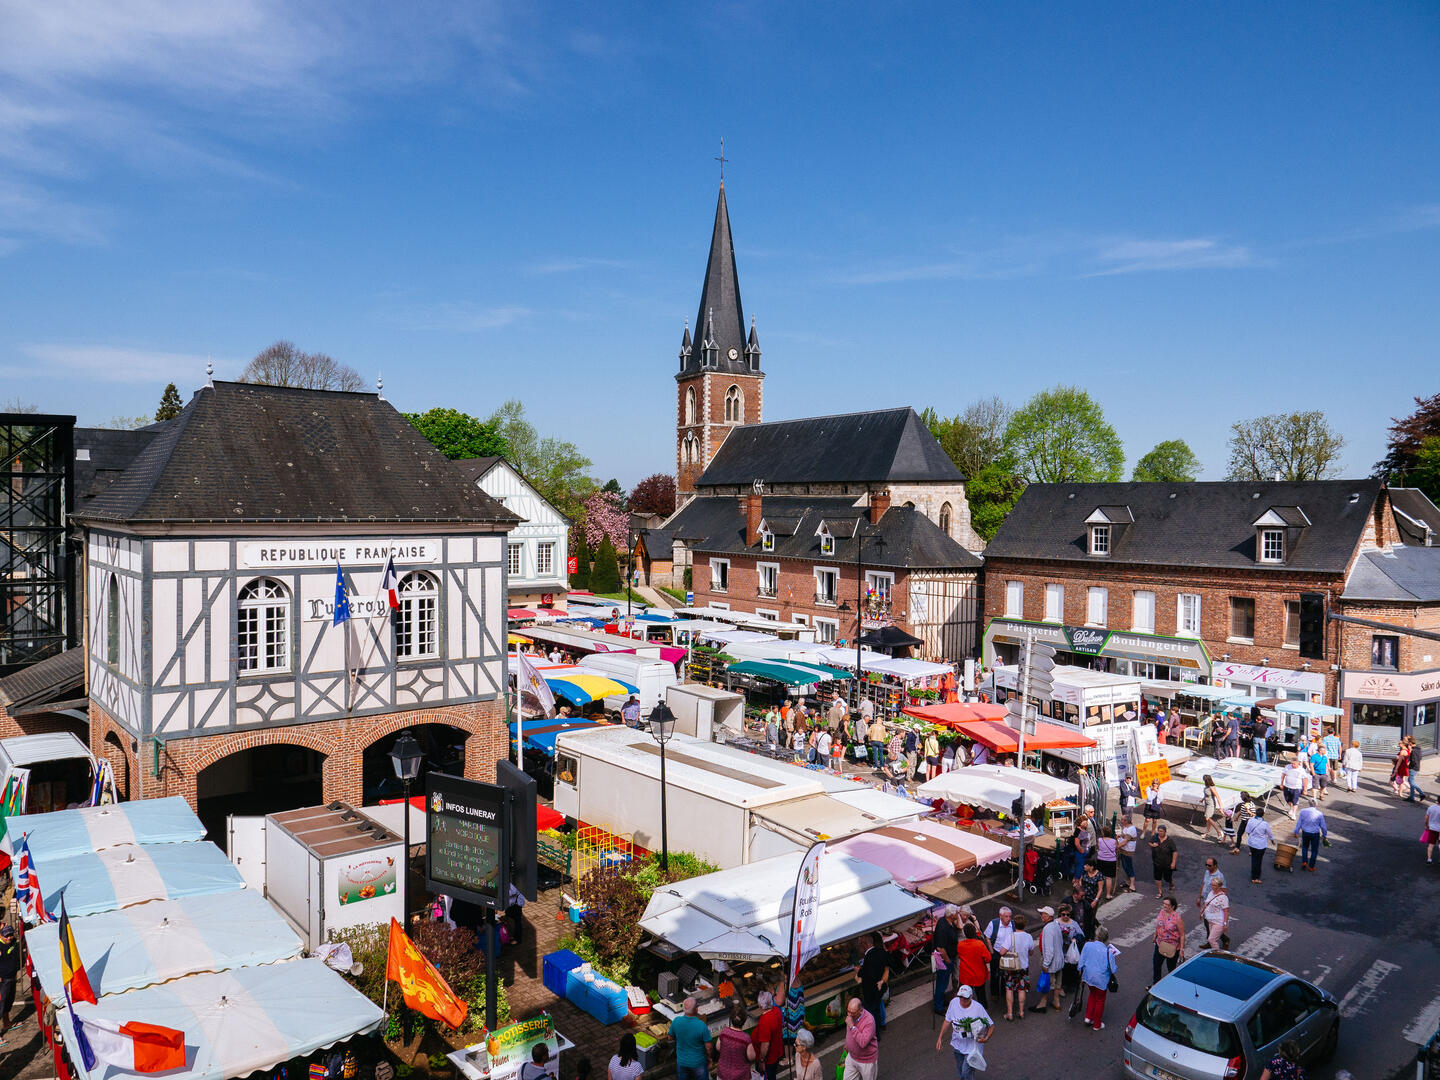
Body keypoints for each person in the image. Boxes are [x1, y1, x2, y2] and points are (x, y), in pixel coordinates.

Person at [935, 985, 992, 1080]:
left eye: (965, 998)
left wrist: (986, 1038)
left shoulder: (978, 1008)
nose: (962, 1000)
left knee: (966, 1073)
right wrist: (940, 1037)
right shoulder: (953, 1003)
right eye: (961, 997)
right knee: (960, 1071)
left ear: (971, 997)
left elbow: (991, 1025)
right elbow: (947, 1021)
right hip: (958, 1044)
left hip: (973, 1048)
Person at [1078, 926, 1118, 1029]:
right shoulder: (1108, 952)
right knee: (1100, 1000)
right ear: (1106, 938)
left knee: (1092, 995)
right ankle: (1097, 1024)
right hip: (1101, 980)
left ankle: (1088, 1017)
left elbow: (1081, 961)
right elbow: (1113, 969)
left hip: (1088, 977)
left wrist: (1080, 970)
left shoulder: (1087, 945)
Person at [669, 998, 714, 1080]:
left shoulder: (676, 1021)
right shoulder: (701, 1025)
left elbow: (670, 1037)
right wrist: (709, 1057)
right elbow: (709, 1047)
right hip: (698, 1063)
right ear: (696, 1009)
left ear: (683, 1009)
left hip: (682, 1062)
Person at [1002, 913, 1035, 1021]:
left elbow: (1002, 952)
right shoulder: (1028, 937)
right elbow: (1031, 952)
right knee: (1022, 989)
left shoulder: (1010, 936)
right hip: (1023, 967)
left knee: (1009, 989)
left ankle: (1010, 1013)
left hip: (1011, 967)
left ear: (1014, 924)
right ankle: (1021, 1012)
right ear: (1024, 924)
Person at [931, 905, 961, 1014]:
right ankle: (938, 1007)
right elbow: (940, 948)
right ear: (951, 914)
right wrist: (948, 960)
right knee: (942, 983)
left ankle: (941, 1000)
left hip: (948, 957)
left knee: (943, 982)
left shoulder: (946, 921)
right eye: (956, 913)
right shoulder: (943, 928)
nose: (958, 914)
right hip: (944, 960)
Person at [857, 933, 890, 1032]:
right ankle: (881, 1024)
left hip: (873, 987)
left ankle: (876, 1031)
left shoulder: (870, 955)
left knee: (873, 1009)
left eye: (860, 944)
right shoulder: (880, 952)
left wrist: (860, 972)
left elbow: (869, 972)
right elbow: (886, 967)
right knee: (878, 1004)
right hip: (880, 985)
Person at [955, 924, 992, 1006]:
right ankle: (981, 1011)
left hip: (966, 975)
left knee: (965, 997)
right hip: (978, 974)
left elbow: (959, 956)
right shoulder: (979, 944)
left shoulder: (960, 945)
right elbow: (988, 958)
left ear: (965, 933)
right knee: (981, 996)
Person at [1034, 906, 1063, 1013]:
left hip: (1052, 962)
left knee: (1046, 983)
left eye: (1043, 914)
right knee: (1057, 984)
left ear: (1048, 916)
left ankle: (1042, 1003)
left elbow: (1049, 950)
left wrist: (1046, 964)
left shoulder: (1047, 929)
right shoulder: (1056, 925)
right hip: (1060, 960)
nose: (1041, 915)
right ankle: (1056, 1002)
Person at [842, 998, 879, 1080]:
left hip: (866, 1061)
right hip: (852, 1056)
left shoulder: (869, 1020)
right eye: (848, 1011)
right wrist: (847, 1044)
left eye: (852, 1013)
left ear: (860, 1011)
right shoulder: (851, 1017)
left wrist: (852, 1026)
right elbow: (849, 1033)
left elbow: (863, 1042)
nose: (849, 1015)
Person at [1152, 895, 1185, 986]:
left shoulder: (1177, 918)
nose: (1164, 906)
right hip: (1160, 944)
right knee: (1156, 965)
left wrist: (1181, 950)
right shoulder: (1162, 912)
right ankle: (1156, 985)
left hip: (1172, 947)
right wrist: (1155, 935)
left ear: (1172, 906)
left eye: (1167, 904)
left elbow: (1182, 935)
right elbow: (1159, 925)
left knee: (1171, 968)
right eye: (1164, 903)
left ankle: (1171, 986)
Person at [716, 1003, 754, 1080]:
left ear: (731, 1018)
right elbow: (751, 1057)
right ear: (744, 1021)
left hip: (722, 1073)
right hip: (740, 1076)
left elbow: (718, 1048)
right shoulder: (746, 1038)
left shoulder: (724, 1032)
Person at [751, 991, 784, 1080]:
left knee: (767, 1076)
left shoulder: (765, 1021)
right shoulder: (776, 1010)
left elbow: (765, 1045)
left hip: (769, 1059)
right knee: (772, 1075)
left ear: (760, 1005)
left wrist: (762, 1061)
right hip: (776, 1052)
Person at [984, 907, 1015, 1001]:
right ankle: (994, 993)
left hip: (1008, 954)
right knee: (995, 974)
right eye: (1006, 916)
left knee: (1007, 974)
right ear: (1000, 916)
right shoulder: (993, 923)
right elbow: (987, 937)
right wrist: (992, 952)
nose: (1008, 919)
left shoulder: (1013, 924)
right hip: (996, 953)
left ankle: (1004, 991)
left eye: (1010, 916)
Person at [1056, 905, 1086, 999]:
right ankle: (1061, 986)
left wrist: (1075, 938)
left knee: (1070, 967)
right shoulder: (1055, 922)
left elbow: (1081, 935)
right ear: (1060, 914)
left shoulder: (1074, 923)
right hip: (1059, 949)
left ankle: (1071, 984)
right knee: (1061, 969)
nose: (1065, 916)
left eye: (1068, 915)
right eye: (1063, 914)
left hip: (1070, 951)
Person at [1294, 797, 1329, 871]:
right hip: (1315, 833)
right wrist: (1325, 835)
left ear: (1309, 803)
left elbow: (1299, 823)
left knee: (1305, 847)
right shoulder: (1319, 814)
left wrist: (1296, 832)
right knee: (1314, 850)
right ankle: (1311, 866)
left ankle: (1304, 861)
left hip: (1305, 832)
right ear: (1316, 804)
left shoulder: (1303, 811)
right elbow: (1323, 826)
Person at [1244, 809, 1275, 884]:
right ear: (1263, 815)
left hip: (1252, 843)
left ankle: (1253, 876)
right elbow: (1269, 833)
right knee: (1258, 861)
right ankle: (1256, 877)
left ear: (1256, 813)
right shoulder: (1265, 824)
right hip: (1260, 845)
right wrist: (1272, 840)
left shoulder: (1251, 820)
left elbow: (1247, 831)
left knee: (1254, 859)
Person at [0, 923, 19, 1042]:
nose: (9, 938)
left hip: (11, 977)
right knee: (0, 1005)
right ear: (1, 936)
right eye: (6, 936)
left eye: (10, 935)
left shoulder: (14, 942)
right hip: (2, 980)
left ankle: (7, 1023)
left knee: (8, 1002)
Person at [1149, 825, 1178, 898]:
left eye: (1161, 831)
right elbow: (1149, 842)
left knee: (1167, 878)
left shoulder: (1169, 841)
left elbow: (1175, 852)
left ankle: (1171, 883)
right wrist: (1152, 845)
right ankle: (1160, 892)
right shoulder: (1155, 837)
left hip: (1167, 863)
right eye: (1158, 831)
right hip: (1157, 862)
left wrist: (1173, 862)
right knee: (1157, 878)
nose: (1159, 832)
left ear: (1165, 832)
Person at [781, 981, 807, 1064]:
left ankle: (788, 1059)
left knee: (787, 1038)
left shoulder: (784, 985)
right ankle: (798, 1055)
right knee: (797, 1036)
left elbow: (780, 1001)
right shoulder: (799, 981)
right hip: (799, 1013)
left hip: (789, 1015)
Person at [1201, 881, 1230, 950]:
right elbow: (1206, 903)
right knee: (1211, 935)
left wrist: (1225, 924)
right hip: (1210, 920)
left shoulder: (1223, 898)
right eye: (1212, 885)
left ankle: (1217, 952)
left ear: (1219, 886)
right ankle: (1211, 946)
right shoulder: (1211, 893)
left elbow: (1226, 911)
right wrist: (1201, 912)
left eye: (1214, 885)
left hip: (1218, 922)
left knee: (1211, 939)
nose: (1212, 887)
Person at [1078, 861, 1103, 938]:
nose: (1084, 866)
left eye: (1086, 865)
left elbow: (1100, 889)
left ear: (1091, 867)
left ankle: (1092, 934)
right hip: (1084, 897)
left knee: (1091, 916)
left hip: (1093, 898)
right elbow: (1081, 881)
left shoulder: (1099, 875)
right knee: (1084, 914)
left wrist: (1095, 900)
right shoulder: (1084, 872)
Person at [1095, 823, 1118, 900]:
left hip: (1101, 859)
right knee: (1109, 878)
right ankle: (1108, 894)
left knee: (1100, 877)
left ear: (1103, 833)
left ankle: (1099, 892)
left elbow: (1099, 847)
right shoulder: (1114, 841)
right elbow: (1116, 849)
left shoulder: (1100, 840)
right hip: (1111, 861)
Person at [1118, 813, 1140, 892]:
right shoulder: (1126, 827)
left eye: (1122, 820)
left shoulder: (1131, 829)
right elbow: (1123, 834)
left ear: (1126, 821)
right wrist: (1119, 836)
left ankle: (1132, 885)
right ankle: (1128, 882)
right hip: (1124, 850)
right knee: (1125, 866)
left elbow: (1125, 842)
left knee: (1129, 867)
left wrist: (1116, 847)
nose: (1121, 821)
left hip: (1128, 851)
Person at [1201, 774, 1226, 843]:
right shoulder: (1206, 786)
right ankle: (1207, 833)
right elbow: (1206, 795)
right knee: (1207, 819)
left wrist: (1221, 808)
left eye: (1204, 780)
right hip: (1206, 804)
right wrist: (1203, 799)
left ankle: (1219, 832)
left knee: (1208, 818)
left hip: (1211, 804)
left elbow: (1218, 797)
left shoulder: (1211, 787)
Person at [1408, 737, 1427, 802]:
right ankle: (1411, 797)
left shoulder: (1413, 751)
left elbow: (1413, 761)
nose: (1408, 744)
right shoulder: (1418, 749)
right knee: (1411, 781)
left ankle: (1422, 794)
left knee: (1412, 782)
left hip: (1413, 768)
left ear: (1410, 743)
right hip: (1416, 767)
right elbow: (1420, 758)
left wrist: (1409, 764)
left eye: (1408, 743)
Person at [1424, 794, 1440, 865]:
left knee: (1431, 844)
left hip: (1432, 828)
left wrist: (1426, 825)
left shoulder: (1431, 807)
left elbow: (1426, 818)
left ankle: (1429, 859)